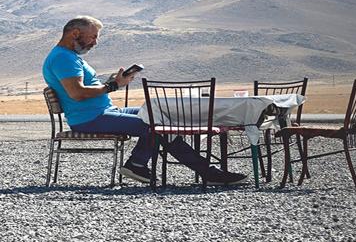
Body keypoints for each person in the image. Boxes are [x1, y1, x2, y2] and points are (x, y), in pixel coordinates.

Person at [42, 16, 247, 185]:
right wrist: (113, 86)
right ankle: (148, 166)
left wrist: (113, 82)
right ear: (75, 34)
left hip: (105, 111)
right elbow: (77, 93)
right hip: (90, 118)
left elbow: (83, 88)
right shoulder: (63, 58)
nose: (95, 42)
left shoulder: (69, 56)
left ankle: (201, 171)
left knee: (157, 114)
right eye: (93, 37)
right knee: (157, 126)